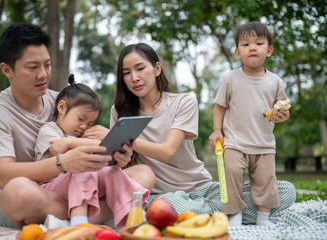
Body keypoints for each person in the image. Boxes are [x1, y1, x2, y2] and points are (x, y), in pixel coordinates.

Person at [84, 42, 296, 226]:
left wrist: (124, 137)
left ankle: (209, 213)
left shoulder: (183, 102)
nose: (134, 78)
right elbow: (126, 166)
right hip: (160, 195)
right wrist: (122, 156)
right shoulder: (119, 112)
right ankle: (217, 214)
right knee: (176, 206)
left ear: (157, 68)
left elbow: (167, 151)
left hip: (201, 187)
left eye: (140, 68)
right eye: (126, 73)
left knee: (284, 190)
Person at [0, 22, 155, 229]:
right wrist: (63, 163)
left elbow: (87, 157)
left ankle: (67, 221)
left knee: (144, 174)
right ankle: (99, 214)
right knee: (20, 190)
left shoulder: (64, 101)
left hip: (76, 186)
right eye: (33, 67)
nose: (43, 74)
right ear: (7, 70)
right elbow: (2, 176)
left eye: (47, 64)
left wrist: (114, 158)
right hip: (32, 196)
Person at [34, 73, 150, 228]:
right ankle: (78, 223)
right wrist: (78, 142)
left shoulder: (81, 137)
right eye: (81, 119)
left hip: (80, 186)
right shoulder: (49, 130)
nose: (83, 127)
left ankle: (130, 217)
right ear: (62, 107)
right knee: (82, 164)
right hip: (51, 188)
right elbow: (60, 150)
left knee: (112, 172)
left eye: (89, 123)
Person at [208, 21, 291, 227]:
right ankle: (234, 213)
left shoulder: (275, 81)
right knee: (232, 175)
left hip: (264, 143)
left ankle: (263, 217)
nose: (252, 47)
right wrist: (217, 131)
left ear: (269, 50)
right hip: (235, 142)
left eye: (258, 43)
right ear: (237, 53)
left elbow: (282, 108)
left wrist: (283, 115)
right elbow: (220, 107)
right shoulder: (231, 78)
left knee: (266, 181)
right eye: (245, 45)